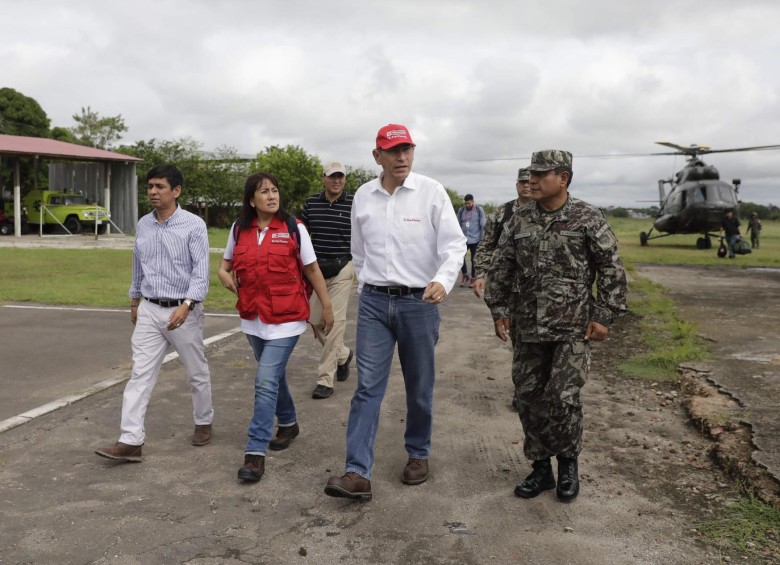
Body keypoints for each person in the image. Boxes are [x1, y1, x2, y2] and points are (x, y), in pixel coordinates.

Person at [324, 124, 466, 500]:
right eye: (393, 151)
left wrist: (443, 279)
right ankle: (357, 471)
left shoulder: (431, 193)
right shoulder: (363, 197)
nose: (401, 157)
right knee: (367, 386)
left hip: (419, 303)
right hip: (373, 303)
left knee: (420, 385)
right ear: (377, 157)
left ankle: (417, 454)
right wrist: (367, 283)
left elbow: (455, 245)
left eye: (407, 149)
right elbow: (359, 250)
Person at [485, 150, 627, 502]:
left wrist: (604, 315)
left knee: (563, 399)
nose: (531, 180)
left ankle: (568, 466)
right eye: (530, 174)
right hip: (528, 326)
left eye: (540, 174)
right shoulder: (519, 219)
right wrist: (498, 308)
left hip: (572, 329)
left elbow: (611, 268)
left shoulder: (587, 217)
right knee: (529, 398)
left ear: (563, 178)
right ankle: (540, 470)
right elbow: (502, 267)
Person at [218, 172, 334, 483]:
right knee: (274, 377)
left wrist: (327, 306)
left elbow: (311, 269)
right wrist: (222, 274)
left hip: (287, 319)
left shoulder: (295, 228)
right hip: (253, 318)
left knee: (265, 379)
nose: (272, 196)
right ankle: (289, 423)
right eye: (264, 192)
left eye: (274, 190)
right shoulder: (239, 229)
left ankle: (255, 453)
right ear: (251, 200)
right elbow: (225, 263)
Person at [95, 164, 213, 463]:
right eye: (150, 186)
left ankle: (203, 421)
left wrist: (187, 305)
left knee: (196, 372)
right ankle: (130, 441)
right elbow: (138, 264)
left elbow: (201, 272)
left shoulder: (193, 225)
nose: (153, 192)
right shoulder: (144, 224)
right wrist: (134, 301)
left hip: (183, 311)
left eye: (160, 186)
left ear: (176, 191)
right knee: (140, 375)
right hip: (149, 309)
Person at [300, 161, 355, 400]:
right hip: (318, 269)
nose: (337, 181)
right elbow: (301, 234)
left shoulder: (355, 203)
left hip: (344, 266)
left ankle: (325, 379)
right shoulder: (311, 204)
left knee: (334, 323)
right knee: (314, 320)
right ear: (323, 178)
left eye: (340, 177)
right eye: (332, 176)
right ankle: (343, 355)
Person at [472, 167, 532, 300]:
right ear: (517, 186)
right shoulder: (502, 211)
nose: (526, 186)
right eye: (523, 183)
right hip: (505, 283)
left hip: (534, 286)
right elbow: (486, 244)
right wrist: (480, 275)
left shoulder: (545, 212)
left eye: (529, 182)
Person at [457, 194, 486, 287]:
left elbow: (483, 224)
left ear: (473, 201)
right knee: (459, 257)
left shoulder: (479, 210)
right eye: (466, 203)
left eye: (469, 203)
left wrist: (483, 238)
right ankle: (465, 275)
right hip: (463, 238)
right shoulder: (461, 210)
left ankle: (473, 278)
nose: (467, 205)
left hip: (475, 239)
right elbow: (457, 224)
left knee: (474, 260)